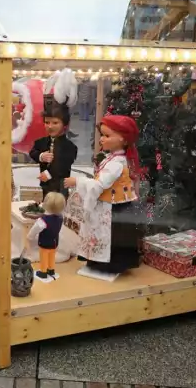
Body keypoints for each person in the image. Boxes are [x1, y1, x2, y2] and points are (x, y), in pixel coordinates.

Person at [63, 115, 143, 276]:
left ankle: (108, 266)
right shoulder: (113, 159)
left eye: (107, 136)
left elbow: (99, 185)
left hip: (112, 208)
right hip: (114, 205)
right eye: (102, 135)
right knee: (107, 236)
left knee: (108, 237)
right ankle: (104, 264)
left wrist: (77, 181)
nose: (102, 140)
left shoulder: (115, 164)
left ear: (124, 140)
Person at [29, 100, 78, 200]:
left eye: (55, 123)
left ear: (65, 125)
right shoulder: (41, 142)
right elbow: (32, 152)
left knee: (59, 208)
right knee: (46, 204)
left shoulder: (70, 146)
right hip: (45, 184)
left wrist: (48, 174)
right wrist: (41, 156)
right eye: (47, 122)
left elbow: (63, 166)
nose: (50, 126)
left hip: (60, 185)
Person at [27, 192, 66, 282]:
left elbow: (34, 230)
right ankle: (51, 270)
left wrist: (29, 237)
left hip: (44, 243)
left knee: (44, 257)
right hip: (55, 242)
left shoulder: (43, 221)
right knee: (52, 256)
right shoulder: (60, 217)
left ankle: (43, 272)